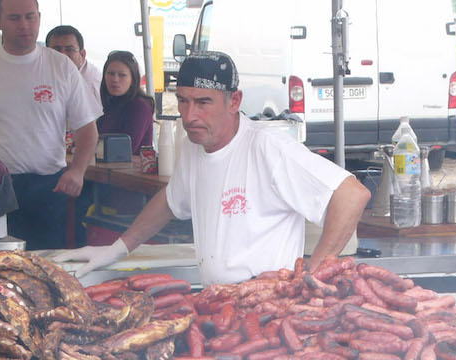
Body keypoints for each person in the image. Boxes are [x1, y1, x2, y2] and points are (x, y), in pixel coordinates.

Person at [55, 51, 370, 284]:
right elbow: (169, 201)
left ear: (234, 101)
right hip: (218, 306)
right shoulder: (194, 146)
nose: (189, 115)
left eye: (203, 102)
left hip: (267, 311)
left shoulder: (267, 147)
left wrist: (313, 275)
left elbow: (351, 194)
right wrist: (117, 249)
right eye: (182, 101)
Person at [0, 0, 101, 251]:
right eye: (15, 18)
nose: (24, 25)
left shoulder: (60, 66)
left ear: (39, 17)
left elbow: (87, 128)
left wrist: (78, 170)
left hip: (50, 188)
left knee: (48, 270)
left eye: (30, 17)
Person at [98, 51, 154, 155]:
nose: (115, 79)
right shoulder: (110, 104)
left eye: (122, 75)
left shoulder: (140, 107)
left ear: (133, 79)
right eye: (110, 74)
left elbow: (125, 150)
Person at [46, 24, 101, 106]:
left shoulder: (91, 84)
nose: (62, 55)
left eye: (69, 50)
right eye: (56, 50)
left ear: (82, 55)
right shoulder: (37, 72)